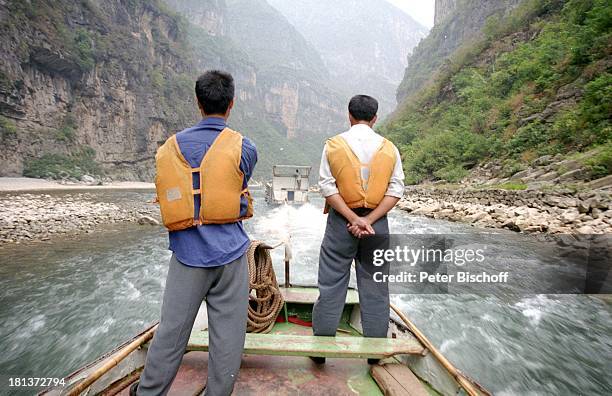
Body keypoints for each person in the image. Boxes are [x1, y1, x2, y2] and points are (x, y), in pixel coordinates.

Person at [132, 70, 257, 396]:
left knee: (171, 334)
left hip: (187, 256)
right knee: (228, 339)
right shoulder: (246, 147)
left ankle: (147, 393)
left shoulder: (168, 148)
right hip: (231, 257)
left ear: (198, 102)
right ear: (231, 104)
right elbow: (238, 183)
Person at [311, 94, 404, 364]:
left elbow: (327, 187)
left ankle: (320, 351)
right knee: (375, 285)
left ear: (349, 115)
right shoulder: (390, 148)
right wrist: (370, 219)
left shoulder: (333, 145)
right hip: (377, 225)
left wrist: (353, 218)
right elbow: (396, 189)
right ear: (375, 118)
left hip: (342, 221)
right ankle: (375, 353)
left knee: (331, 283)